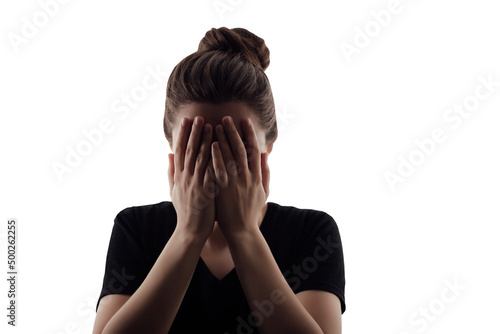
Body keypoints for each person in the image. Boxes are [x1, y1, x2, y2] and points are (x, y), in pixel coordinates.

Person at [93, 27, 346, 334]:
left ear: (269, 145)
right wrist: (188, 233)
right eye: (197, 143)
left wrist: (243, 233)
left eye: (235, 145)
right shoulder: (136, 228)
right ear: (171, 145)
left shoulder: (312, 233)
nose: (215, 162)